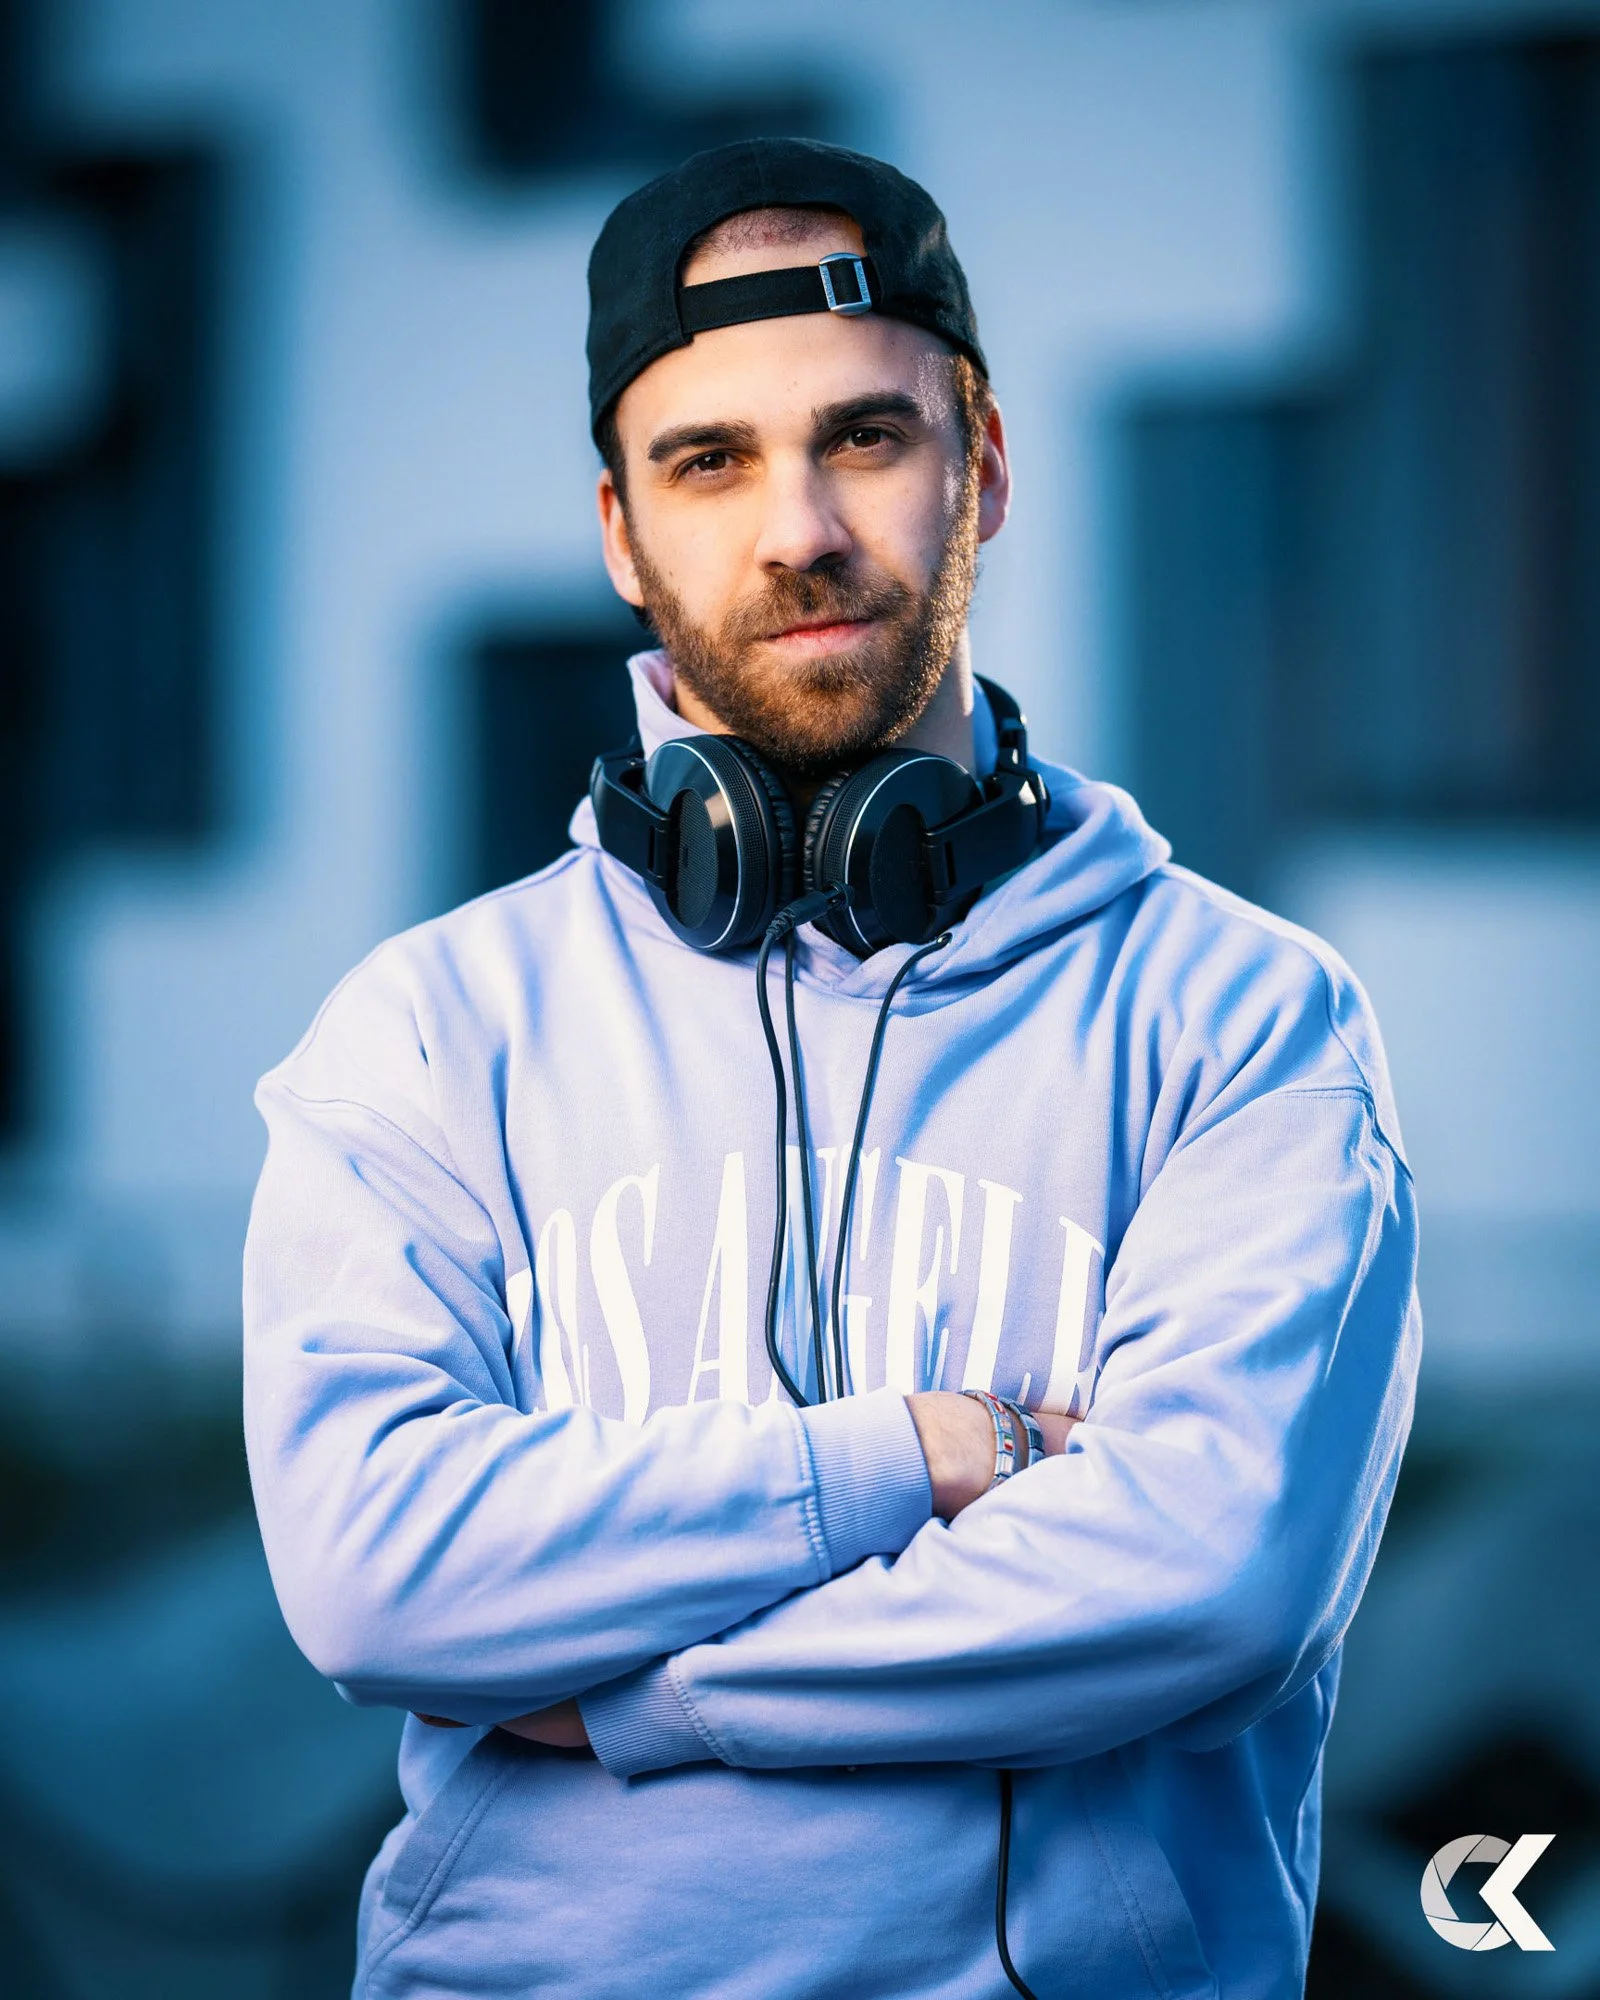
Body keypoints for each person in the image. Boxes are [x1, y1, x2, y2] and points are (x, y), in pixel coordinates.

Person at [244, 138, 1421, 2000]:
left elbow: (1210, 1580)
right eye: (709, 461)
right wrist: (912, 1463)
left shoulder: (1248, 1021)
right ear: (622, 534)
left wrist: (635, 1684)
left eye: (865, 437)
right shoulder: (420, 1035)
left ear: (988, 469)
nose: (798, 526)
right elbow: (380, 1575)